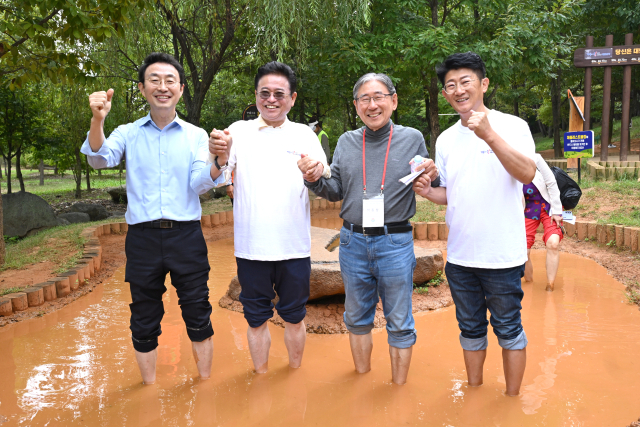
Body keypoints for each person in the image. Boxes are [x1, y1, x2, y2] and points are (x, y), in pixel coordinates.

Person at [82, 52, 227, 384]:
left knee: (197, 310)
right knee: (144, 316)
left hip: (186, 236)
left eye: (169, 80)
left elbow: (200, 182)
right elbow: (98, 160)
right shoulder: (127, 132)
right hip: (143, 238)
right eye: (154, 80)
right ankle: (147, 391)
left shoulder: (195, 135)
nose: (162, 87)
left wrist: (218, 162)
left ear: (181, 88)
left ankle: (204, 384)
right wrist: (97, 120)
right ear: (142, 88)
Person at [300, 73, 439, 385]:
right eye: (365, 98)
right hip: (352, 244)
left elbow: (430, 180)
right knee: (357, 318)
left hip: (395, 242)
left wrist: (432, 175)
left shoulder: (412, 138)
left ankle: (398, 392)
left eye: (379, 96)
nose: (372, 104)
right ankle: (361, 383)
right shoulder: (347, 142)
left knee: (400, 321)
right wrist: (313, 179)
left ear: (394, 100)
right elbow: (335, 190)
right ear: (356, 105)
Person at [413, 52, 536, 396]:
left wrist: (488, 134)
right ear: (445, 94)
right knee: (469, 329)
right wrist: (427, 192)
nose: (458, 89)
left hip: (502, 257)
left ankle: (512, 401)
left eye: (465, 81)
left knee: (509, 328)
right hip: (461, 257)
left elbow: (526, 174)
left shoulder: (513, 126)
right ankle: (475, 393)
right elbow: (453, 194)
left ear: (483, 84)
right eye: (450, 85)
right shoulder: (446, 139)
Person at [209, 62, 329, 373]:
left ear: (292, 98)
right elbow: (218, 174)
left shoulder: (304, 134)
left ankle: (295, 374)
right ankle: (260, 375)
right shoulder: (238, 131)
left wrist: (315, 170)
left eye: (279, 93)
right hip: (252, 249)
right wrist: (219, 155)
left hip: (294, 249)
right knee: (256, 318)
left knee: (295, 316)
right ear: (256, 96)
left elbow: (323, 174)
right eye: (265, 93)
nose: (271, 100)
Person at [523, 154, 564, 291]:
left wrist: (557, 211)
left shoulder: (534, 157)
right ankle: (529, 284)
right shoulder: (506, 158)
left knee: (553, 243)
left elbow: (551, 182)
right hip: (527, 209)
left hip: (548, 206)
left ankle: (550, 286)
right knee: (524, 250)